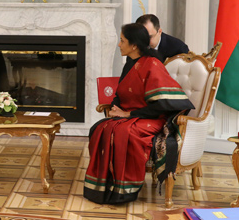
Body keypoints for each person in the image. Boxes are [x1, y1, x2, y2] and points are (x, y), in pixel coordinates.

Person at [83, 23, 194, 204]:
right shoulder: (130, 63)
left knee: (123, 132)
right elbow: (120, 92)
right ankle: (104, 188)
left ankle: (124, 191)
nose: (119, 44)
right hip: (133, 116)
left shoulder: (153, 65)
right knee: (100, 128)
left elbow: (164, 104)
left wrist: (129, 114)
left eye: (122, 40)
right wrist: (114, 108)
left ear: (134, 45)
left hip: (151, 118)